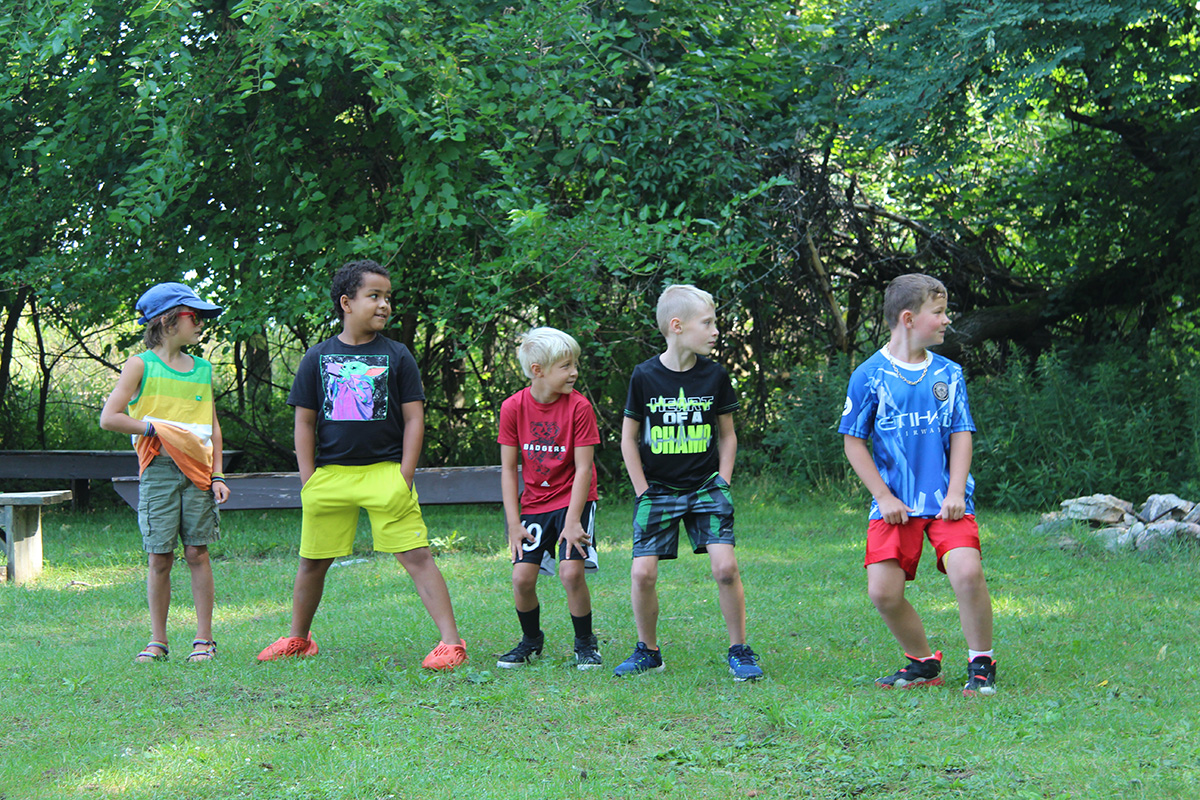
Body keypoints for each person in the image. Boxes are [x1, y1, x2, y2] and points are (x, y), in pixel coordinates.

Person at [256, 259, 467, 670]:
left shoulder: (397, 355)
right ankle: (298, 638)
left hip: (386, 472)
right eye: (374, 296)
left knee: (417, 556)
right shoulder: (318, 357)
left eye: (388, 297)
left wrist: (405, 474)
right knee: (312, 560)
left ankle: (451, 643)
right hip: (330, 476)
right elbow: (303, 420)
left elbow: (414, 417)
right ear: (346, 303)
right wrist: (308, 478)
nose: (385, 304)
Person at [839, 273, 997, 696]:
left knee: (967, 572)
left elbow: (961, 433)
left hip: (946, 498)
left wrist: (956, 491)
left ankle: (981, 662)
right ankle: (923, 662)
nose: (948, 320)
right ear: (908, 318)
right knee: (883, 593)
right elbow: (853, 441)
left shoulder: (949, 373)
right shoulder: (869, 375)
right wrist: (883, 495)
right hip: (894, 504)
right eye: (939, 312)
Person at [614, 284, 763, 681]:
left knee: (726, 568)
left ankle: (740, 650)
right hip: (657, 490)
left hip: (706, 489)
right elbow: (628, 437)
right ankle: (648, 651)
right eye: (708, 323)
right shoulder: (644, 376)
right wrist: (641, 489)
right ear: (677, 326)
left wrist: (724, 481)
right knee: (642, 573)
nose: (716, 331)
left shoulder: (715, 375)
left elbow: (728, 435)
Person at [100, 282, 230, 664]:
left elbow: (213, 427)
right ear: (170, 320)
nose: (202, 323)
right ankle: (158, 641)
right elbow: (111, 418)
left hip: (199, 472)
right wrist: (153, 429)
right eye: (195, 316)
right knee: (160, 557)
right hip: (157, 469)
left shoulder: (203, 369)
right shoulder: (140, 364)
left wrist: (218, 475)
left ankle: (204, 640)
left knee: (197, 552)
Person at [496, 327, 603, 670]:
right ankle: (531, 640)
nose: (574, 372)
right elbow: (508, 469)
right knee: (521, 578)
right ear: (538, 370)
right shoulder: (513, 407)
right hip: (534, 504)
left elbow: (584, 469)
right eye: (566, 365)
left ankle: (585, 644)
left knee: (571, 573)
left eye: (575, 364)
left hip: (574, 498)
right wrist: (514, 524)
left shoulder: (580, 408)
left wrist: (573, 521)